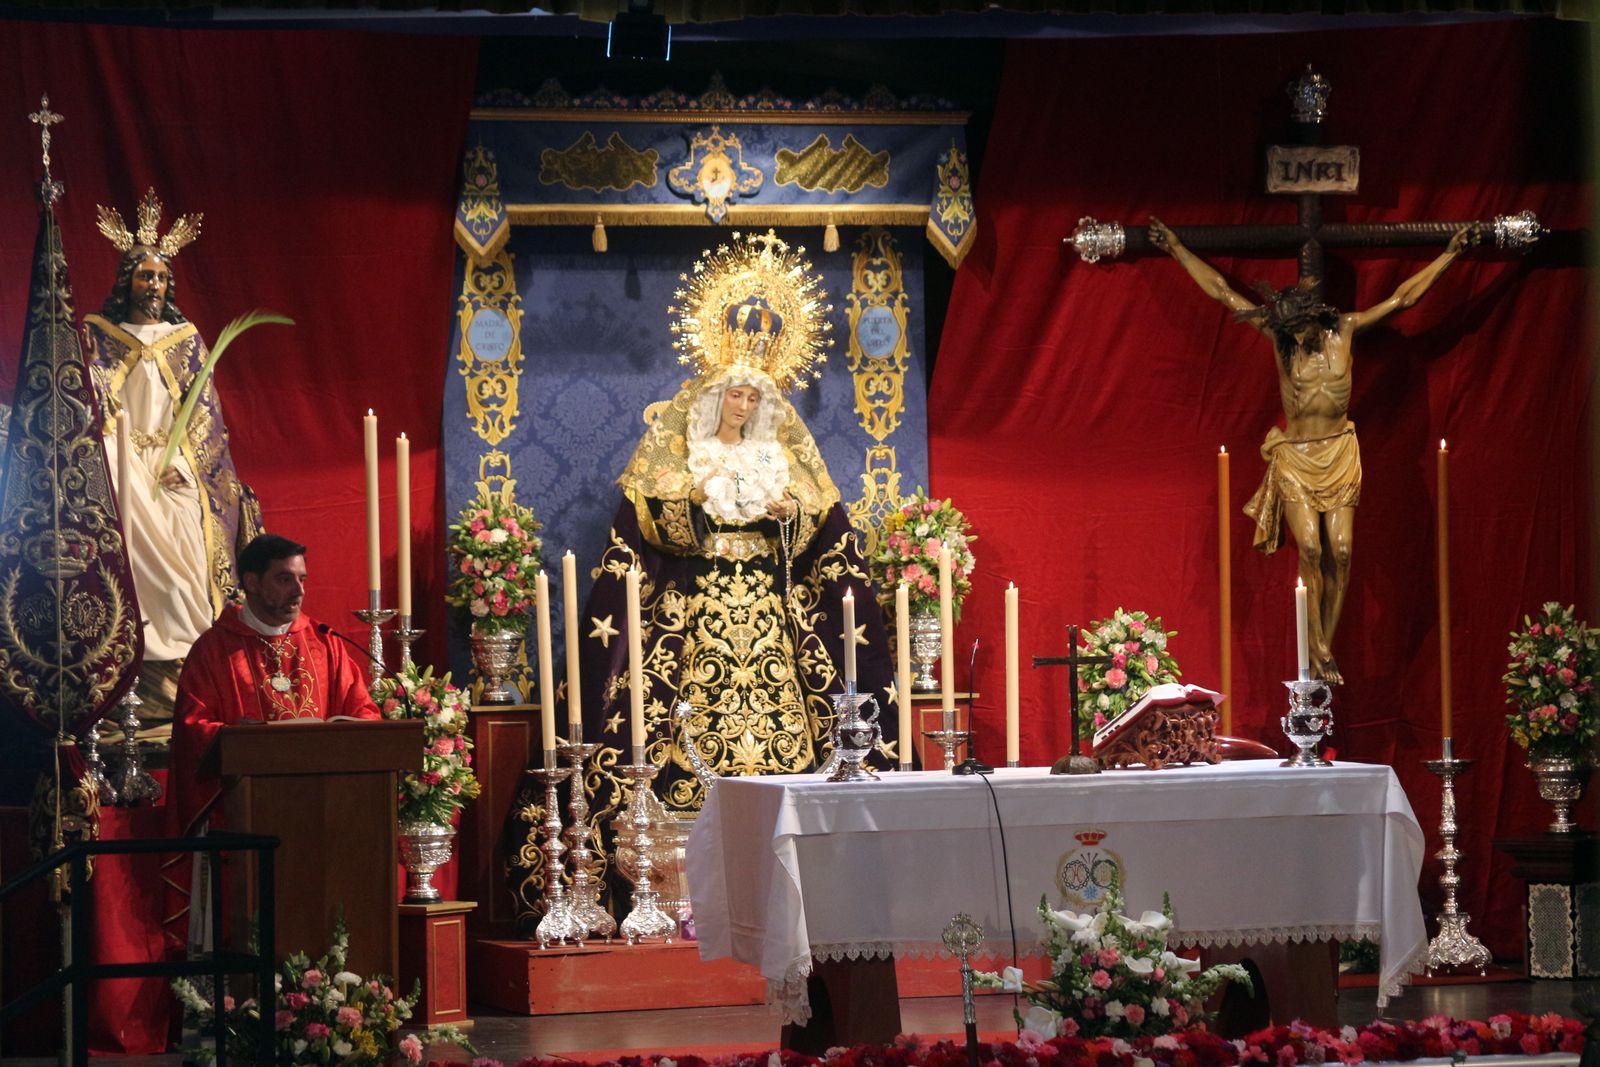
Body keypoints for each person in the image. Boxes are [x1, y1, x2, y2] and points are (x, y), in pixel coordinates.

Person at [1150, 219, 1475, 684]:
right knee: (1309, 546)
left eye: (1301, 331)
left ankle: (1325, 648)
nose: (1296, 341)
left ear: (1314, 317)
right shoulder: (1282, 338)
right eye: (1289, 334)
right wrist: (1177, 249)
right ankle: (1317, 646)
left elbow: (1404, 298)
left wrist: (1450, 255)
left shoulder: (1345, 329)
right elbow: (1223, 292)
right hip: (1297, 456)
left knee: (1340, 551)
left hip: (1339, 452)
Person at [85, 189, 262, 714]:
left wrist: (184, 466)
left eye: (162, 277)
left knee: (189, 535)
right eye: (145, 276)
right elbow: (93, 404)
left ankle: (186, 663)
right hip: (119, 459)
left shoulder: (185, 340)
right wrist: (119, 453)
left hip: (175, 466)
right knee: (127, 520)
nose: (155, 286)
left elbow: (205, 418)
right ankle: (134, 664)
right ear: (127, 281)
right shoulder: (98, 336)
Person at [168, 534, 380, 834]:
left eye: (302, 579)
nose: (299, 591)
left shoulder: (324, 644)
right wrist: (250, 741)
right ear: (252, 582)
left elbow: (364, 714)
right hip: (244, 816)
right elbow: (193, 728)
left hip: (324, 811)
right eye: (284, 579)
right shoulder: (213, 651)